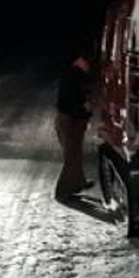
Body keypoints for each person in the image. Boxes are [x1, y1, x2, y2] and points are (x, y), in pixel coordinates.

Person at [54, 51, 93, 200]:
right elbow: (71, 100)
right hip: (69, 120)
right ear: (79, 60)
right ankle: (62, 191)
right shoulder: (72, 75)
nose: (88, 66)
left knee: (76, 154)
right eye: (86, 62)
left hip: (71, 120)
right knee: (71, 157)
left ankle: (78, 183)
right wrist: (84, 107)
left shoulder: (74, 74)